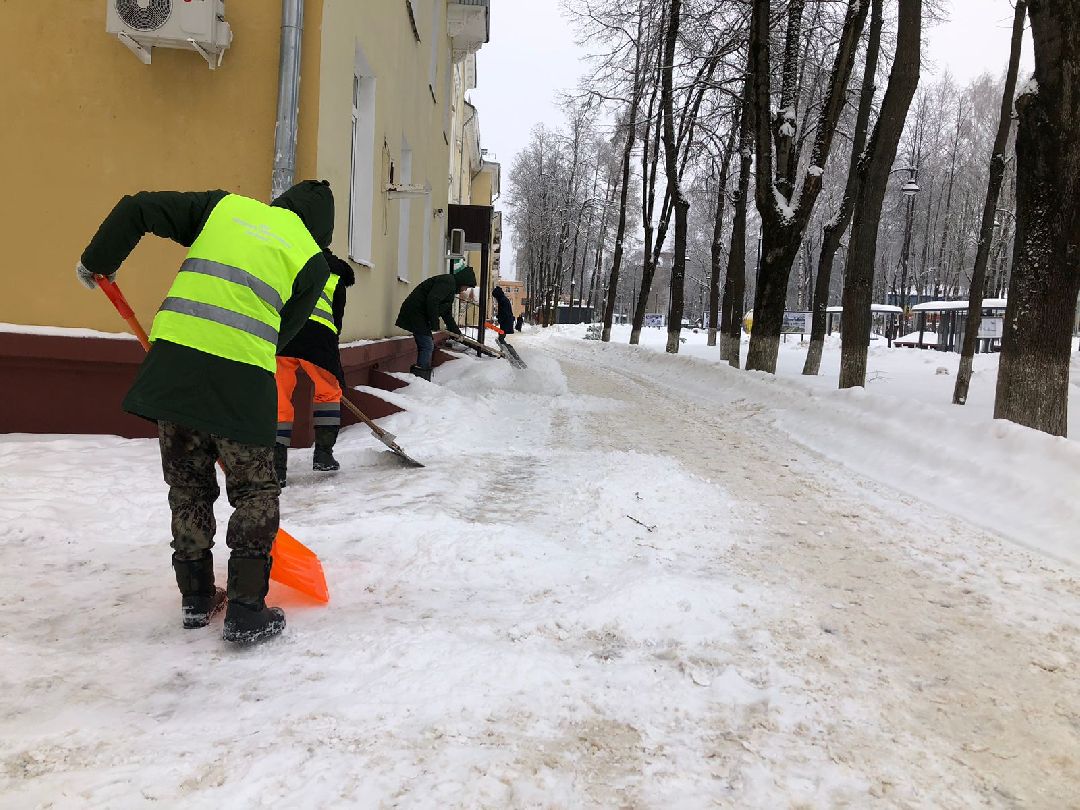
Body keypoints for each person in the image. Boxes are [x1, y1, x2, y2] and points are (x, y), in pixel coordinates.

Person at [76, 180, 335, 645]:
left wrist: (99, 260)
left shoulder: (225, 209)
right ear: (320, 230)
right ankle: (245, 609)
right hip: (241, 381)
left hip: (173, 370)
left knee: (189, 486)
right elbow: (285, 333)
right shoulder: (313, 260)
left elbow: (139, 207)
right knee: (255, 491)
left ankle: (195, 598)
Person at [274, 249, 355, 487]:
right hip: (320, 339)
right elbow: (336, 318)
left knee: (278, 400)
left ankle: (276, 468)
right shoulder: (336, 274)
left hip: (284, 337)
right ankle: (323, 455)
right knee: (328, 394)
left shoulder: (288, 260)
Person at [394, 264, 477, 380]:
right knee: (427, 345)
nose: (465, 290)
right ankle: (420, 379)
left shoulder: (451, 289)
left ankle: (420, 377)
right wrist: (434, 322)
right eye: (466, 286)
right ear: (462, 281)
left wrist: (457, 333)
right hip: (416, 312)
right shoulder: (447, 282)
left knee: (427, 345)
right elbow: (433, 300)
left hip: (421, 315)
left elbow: (447, 314)